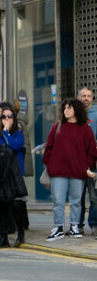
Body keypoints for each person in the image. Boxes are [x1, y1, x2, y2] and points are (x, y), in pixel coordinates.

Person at [42, 98, 97, 240]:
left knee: (76, 201)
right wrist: (50, 164)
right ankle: (58, 227)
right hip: (58, 172)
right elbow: (48, 147)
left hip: (78, 172)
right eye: (64, 108)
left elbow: (91, 150)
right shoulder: (58, 126)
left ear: (76, 110)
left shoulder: (85, 129)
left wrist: (87, 167)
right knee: (58, 200)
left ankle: (74, 227)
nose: (66, 110)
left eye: (69, 108)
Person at [0, 102, 28, 248]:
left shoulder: (17, 132)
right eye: (4, 116)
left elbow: (15, 145)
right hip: (0, 175)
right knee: (0, 206)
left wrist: (7, 132)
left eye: (10, 116)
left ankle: (20, 233)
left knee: (16, 205)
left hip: (14, 175)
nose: (7, 119)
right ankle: (3, 237)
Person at [78, 87, 97, 234]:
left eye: (88, 96)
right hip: (76, 163)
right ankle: (78, 226)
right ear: (78, 97)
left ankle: (94, 225)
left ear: (92, 98)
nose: (86, 98)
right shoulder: (73, 114)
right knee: (77, 198)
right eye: (83, 95)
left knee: (94, 197)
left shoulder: (96, 113)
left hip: (93, 164)